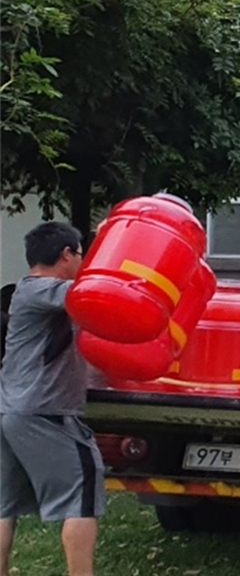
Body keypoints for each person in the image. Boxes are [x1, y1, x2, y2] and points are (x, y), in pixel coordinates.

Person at [0, 222, 100, 576]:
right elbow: (97, 292)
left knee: (4, 505)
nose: (82, 261)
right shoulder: (43, 290)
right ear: (66, 254)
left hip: (13, 410)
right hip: (44, 412)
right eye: (81, 254)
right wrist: (111, 244)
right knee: (81, 496)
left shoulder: (27, 292)